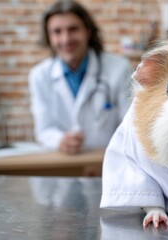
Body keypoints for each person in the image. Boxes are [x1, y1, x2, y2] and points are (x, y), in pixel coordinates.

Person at [29, 0, 133, 154]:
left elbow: (131, 126)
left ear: (88, 32)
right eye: (57, 31)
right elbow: (43, 130)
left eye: (73, 29)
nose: (66, 39)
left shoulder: (119, 68)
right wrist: (59, 140)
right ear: (49, 37)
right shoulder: (39, 76)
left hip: (109, 163)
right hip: (63, 165)